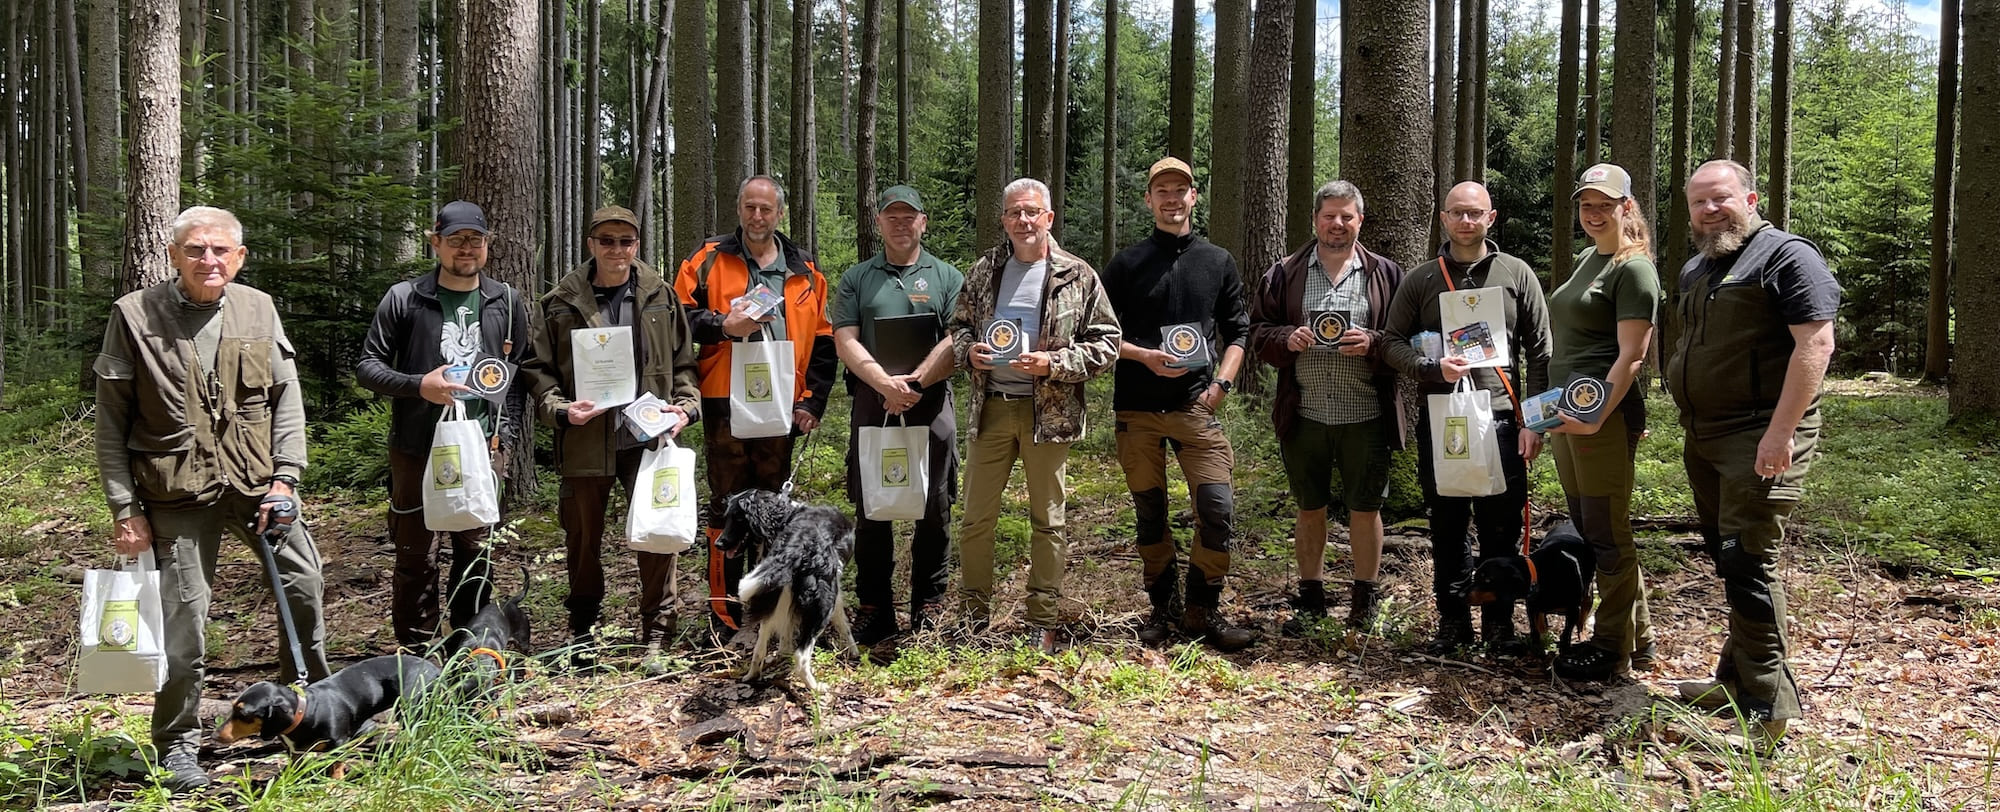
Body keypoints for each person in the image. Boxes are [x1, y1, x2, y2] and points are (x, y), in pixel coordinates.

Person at [94, 206, 331, 792]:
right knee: (184, 622)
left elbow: (286, 400)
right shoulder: (134, 314)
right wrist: (125, 509)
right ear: (174, 255)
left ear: (239, 256)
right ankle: (176, 742)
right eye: (196, 250)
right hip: (175, 492)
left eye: (221, 250)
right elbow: (111, 421)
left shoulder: (258, 307)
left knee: (304, 584)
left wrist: (286, 478)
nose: (210, 260)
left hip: (257, 485)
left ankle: (311, 716)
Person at [1667, 159, 1839, 750]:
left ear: (1751, 197)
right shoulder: (1698, 267)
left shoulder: (1788, 256)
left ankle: (1769, 714)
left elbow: (1815, 343)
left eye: (1721, 199)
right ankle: (1736, 681)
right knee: (1728, 556)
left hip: (1761, 435)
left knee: (1749, 561)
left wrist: (1780, 432)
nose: (1710, 210)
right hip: (1706, 434)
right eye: (1699, 203)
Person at [521, 205, 700, 670]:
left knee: (657, 534)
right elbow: (537, 371)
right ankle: (582, 634)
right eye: (607, 241)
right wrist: (560, 410)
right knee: (582, 540)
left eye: (626, 241)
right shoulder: (560, 301)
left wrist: (684, 407)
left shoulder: (660, 295)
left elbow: (684, 365)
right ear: (591, 244)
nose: (617, 250)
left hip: (646, 437)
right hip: (585, 439)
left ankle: (657, 635)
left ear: (637, 244)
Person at [949, 177, 1121, 653]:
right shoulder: (986, 270)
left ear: (1048, 217)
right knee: (975, 519)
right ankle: (973, 617)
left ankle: (1042, 618)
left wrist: (1056, 364)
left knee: (1048, 520)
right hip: (992, 413)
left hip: (1049, 415)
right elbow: (959, 328)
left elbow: (1108, 342)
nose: (1023, 220)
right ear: (1003, 220)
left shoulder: (1077, 274)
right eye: (1014, 213)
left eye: (1032, 212)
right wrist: (971, 355)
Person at [1381, 181, 1552, 655]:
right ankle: (1453, 623)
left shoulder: (1516, 274)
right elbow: (1391, 342)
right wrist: (1430, 367)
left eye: (1475, 213)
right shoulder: (1422, 279)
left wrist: (1532, 423)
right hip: (1445, 419)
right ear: (1443, 218)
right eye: (1457, 213)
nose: (1466, 222)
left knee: (1502, 528)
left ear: (1490, 218)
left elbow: (1541, 352)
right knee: (1448, 524)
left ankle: (1500, 626)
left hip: (1502, 419)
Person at [357, 200, 532, 651]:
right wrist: (419, 385)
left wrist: (505, 434)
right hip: (418, 447)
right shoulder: (406, 298)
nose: (466, 249)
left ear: (488, 245)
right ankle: (417, 654)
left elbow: (519, 372)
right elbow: (368, 367)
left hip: (483, 446)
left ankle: (469, 648)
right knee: (417, 553)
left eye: (475, 240)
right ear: (436, 243)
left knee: (476, 554)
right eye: (455, 241)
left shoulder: (506, 301)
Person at [1100, 157, 1258, 652]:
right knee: (1151, 513)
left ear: (1195, 197)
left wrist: (1222, 386)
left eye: (1181, 190)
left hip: (1196, 407)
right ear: (1149, 200)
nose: (1172, 198)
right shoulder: (1126, 264)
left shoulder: (1218, 261)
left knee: (1217, 508)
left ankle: (1202, 608)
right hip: (1138, 410)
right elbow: (1097, 332)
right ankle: (1161, 609)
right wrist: (1142, 355)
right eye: (1162, 190)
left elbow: (1238, 331)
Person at [675, 176, 837, 634]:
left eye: (766, 209)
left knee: (772, 508)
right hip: (724, 398)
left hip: (782, 402)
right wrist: (723, 324)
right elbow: (677, 318)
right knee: (727, 505)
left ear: (779, 213)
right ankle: (723, 615)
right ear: (739, 208)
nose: (757, 216)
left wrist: (814, 401)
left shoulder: (804, 269)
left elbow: (824, 341)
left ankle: (770, 610)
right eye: (750, 207)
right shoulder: (707, 259)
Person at [1249, 180, 1411, 635]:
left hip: (1367, 413)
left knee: (1366, 509)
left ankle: (1365, 601)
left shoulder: (1386, 274)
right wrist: (1287, 338)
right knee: (1309, 507)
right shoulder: (1285, 272)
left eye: (1347, 216)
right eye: (1329, 216)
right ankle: (1311, 600)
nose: (1337, 224)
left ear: (1360, 220)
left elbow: (1409, 339)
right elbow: (1258, 331)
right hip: (1304, 413)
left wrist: (1375, 343)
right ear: (1315, 220)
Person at [1539, 163, 1662, 681]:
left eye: (1604, 205)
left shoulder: (1633, 269)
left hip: (1601, 418)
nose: (1593, 214)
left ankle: (1611, 649)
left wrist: (1595, 418)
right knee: (1590, 526)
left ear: (1626, 207)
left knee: (1607, 532)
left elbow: (1633, 355)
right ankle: (1642, 640)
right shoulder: (1591, 258)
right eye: (1586, 205)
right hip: (1568, 413)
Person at [830, 185, 965, 644]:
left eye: (910, 216)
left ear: (924, 222)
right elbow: (845, 337)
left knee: (935, 505)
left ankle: (928, 604)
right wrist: (883, 382)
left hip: (930, 403)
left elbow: (955, 338)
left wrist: (915, 382)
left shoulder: (947, 277)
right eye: (892, 216)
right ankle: (875, 607)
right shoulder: (857, 278)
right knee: (873, 505)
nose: (902, 223)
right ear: (879, 223)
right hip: (873, 400)